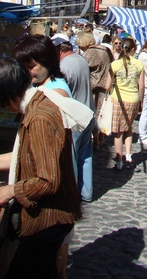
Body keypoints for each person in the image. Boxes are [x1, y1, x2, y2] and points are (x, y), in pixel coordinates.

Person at [0, 57, 81, 279]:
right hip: (49, 218)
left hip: (49, 219)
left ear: (11, 89)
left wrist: (11, 190)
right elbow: (27, 155)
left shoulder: (40, 117)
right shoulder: (34, 109)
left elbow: (48, 180)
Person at [52, 35, 95, 202]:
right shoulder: (81, 60)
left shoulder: (64, 66)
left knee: (71, 158)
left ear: (59, 50)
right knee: (85, 156)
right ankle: (86, 192)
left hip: (75, 118)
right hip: (88, 114)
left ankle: (71, 195)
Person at [105, 37, 145, 169]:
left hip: (118, 99)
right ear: (133, 49)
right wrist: (141, 101)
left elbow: (107, 85)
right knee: (128, 128)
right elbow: (142, 86)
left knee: (118, 132)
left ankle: (120, 160)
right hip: (133, 99)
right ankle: (128, 155)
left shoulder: (115, 64)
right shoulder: (139, 64)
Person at [77, 31, 113, 149]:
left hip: (93, 86)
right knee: (103, 112)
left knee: (93, 113)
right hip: (105, 85)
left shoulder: (90, 52)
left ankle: (96, 140)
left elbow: (81, 66)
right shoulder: (106, 50)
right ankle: (101, 137)